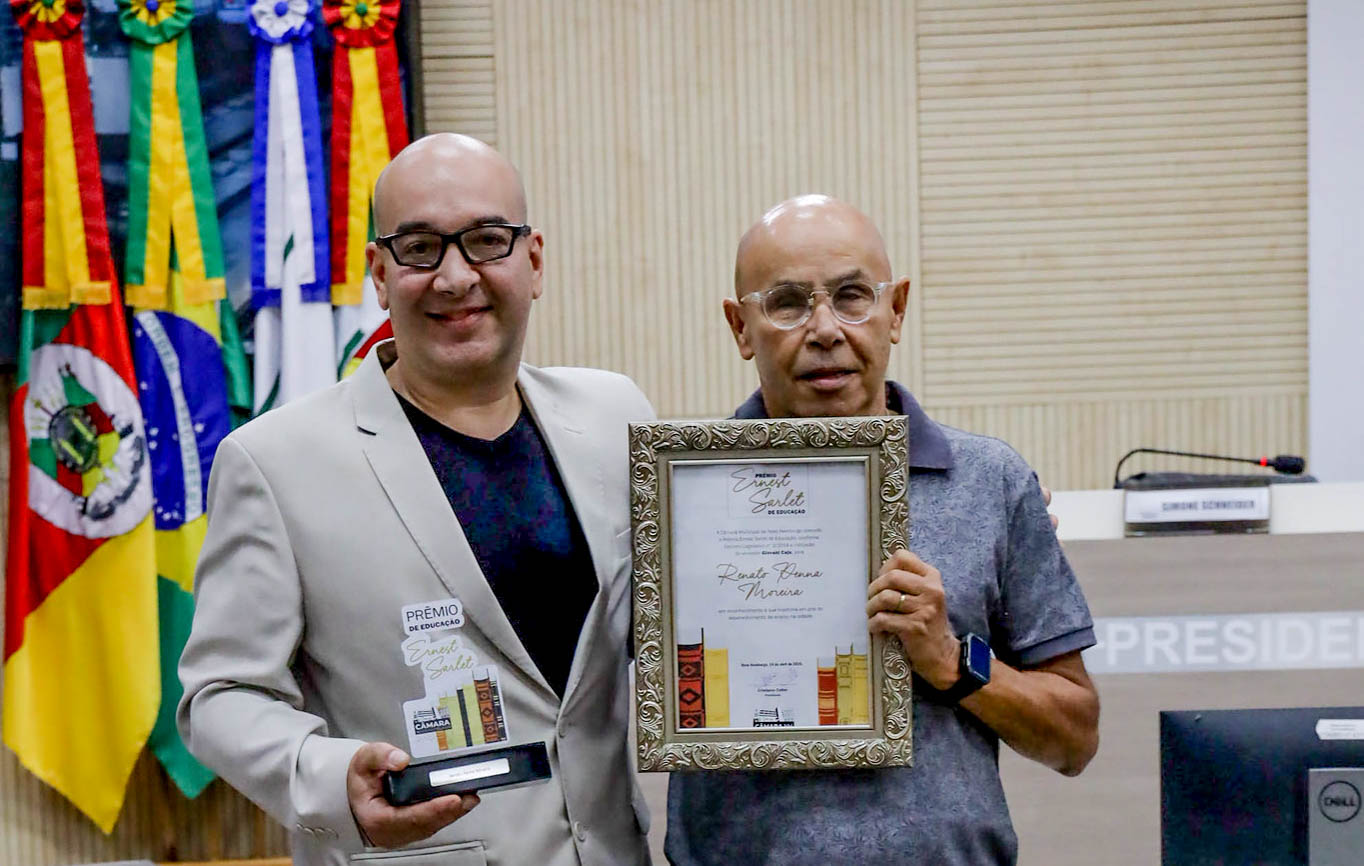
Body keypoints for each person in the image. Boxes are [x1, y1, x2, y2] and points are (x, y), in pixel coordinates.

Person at [177, 134, 653, 866]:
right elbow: (220, 696)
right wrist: (331, 779)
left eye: (487, 240)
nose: (455, 277)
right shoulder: (274, 462)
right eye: (421, 248)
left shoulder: (617, 416)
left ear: (534, 261)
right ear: (380, 273)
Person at [665, 195, 1100, 865]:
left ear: (895, 310)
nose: (825, 330)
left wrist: (953, 661)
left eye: (851, 297)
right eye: (787, 303)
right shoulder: (678, 500)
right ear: (740, 326)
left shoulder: (991, 482)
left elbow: (1074, 738)